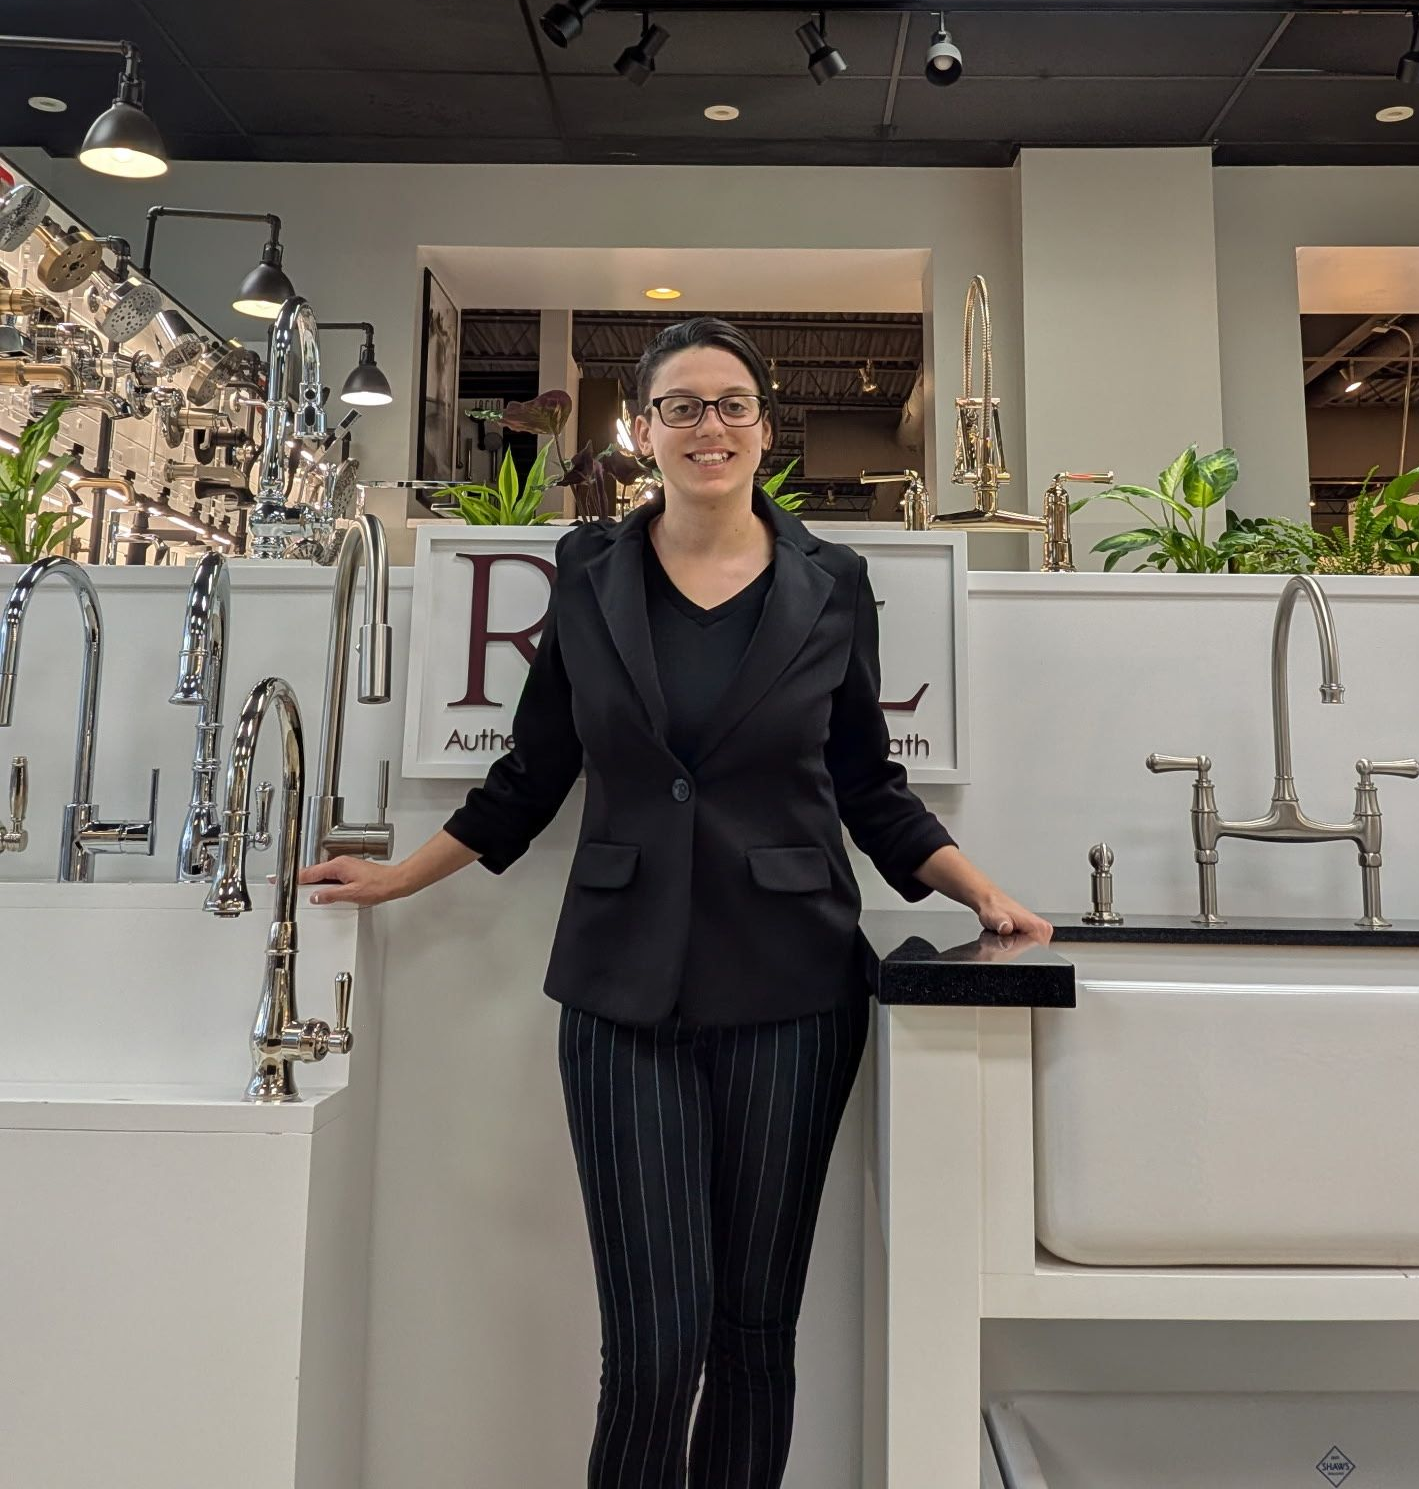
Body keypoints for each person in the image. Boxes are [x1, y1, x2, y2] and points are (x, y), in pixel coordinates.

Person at [296, 315, 1051, 1488]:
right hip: (616, 988)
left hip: (795, 986)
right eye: (683, 406)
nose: (711, 426)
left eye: (732, 403)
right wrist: (396, 875)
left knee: (754, 1337)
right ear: (643, 429)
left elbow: (866, 779)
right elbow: (530, 772)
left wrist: (979, 886)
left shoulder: (833, 580)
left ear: (764, 425)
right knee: (653, 1350)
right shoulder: (589, 573)